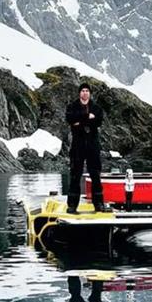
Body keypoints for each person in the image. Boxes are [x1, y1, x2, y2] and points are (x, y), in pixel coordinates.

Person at [65, 82, 104, 213]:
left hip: (93, 145)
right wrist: (87, 117)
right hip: (78, 145)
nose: (85, 93)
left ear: (90, 93)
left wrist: (80, 121)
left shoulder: (96, 107)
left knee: (95, 175)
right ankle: (72, 205)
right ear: (79, 93)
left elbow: (98, 121)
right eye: (83, 91)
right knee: (75, 174)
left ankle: (98, 204)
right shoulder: (72, 106)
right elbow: (70, 119)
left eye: (87, 90)